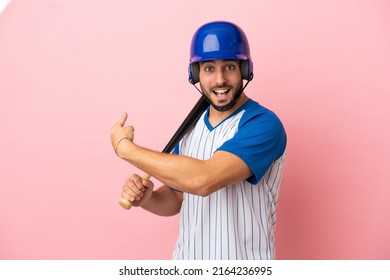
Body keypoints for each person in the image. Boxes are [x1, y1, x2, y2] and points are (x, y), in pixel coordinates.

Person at [110, 21, 287, 260]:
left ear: (245, 70)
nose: (219, 80)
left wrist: (126, 149)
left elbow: (203, 180)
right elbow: (176, 198)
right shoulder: (190, 128)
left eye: (230, 67)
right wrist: (149, 198)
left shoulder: (262, 124)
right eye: (209, 69)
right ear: (196, 74)